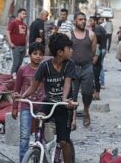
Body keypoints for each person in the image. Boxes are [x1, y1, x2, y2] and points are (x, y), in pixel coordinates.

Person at [17, 34, 76, 163]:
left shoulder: (69, 65)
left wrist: (65, 98)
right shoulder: (45, 66)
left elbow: (67, 82)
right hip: (49, 102)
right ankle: (39, 145)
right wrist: (22, 96)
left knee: (64, 142)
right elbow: (33, 87)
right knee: (39, 116)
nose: (71, 51)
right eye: (69, 48)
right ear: (60, 52)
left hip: (63, 105)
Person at [11, 42, 45, 162]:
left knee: (39, 137)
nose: (37, 56)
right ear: (29, 54)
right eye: (35, 53)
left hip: (42, 107)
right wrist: (15, 107)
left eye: (40, 54)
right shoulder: (23, 69)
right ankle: (23, 160)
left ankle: (38, 159)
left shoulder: (45, 69)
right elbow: (17, 88)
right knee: (24, 137)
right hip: (26, 106)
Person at [68, 12, 97, 129]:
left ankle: (86, 110)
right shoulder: (68, 35)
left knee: (87, 93)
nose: (83, 21)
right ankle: (73, 118)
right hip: (73, 68)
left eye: (84, 19)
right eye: (80, 19)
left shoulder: (91, 35)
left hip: (87, 67)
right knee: (72, 94)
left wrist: (89, 62)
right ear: (75, 21)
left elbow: (93, 52)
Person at [7, 8, 28, 79]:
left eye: (25, 14)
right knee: (16, 63)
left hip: (23, 47)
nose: (25, 15)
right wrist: (10, 43)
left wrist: (26, 45)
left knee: (20, 63)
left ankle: (16, 76)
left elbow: (25, 35)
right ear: (19, 14)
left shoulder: (24, 25)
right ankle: (11, 76)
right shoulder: (14, 22)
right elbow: (8, 32)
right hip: (15, 46)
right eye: (23, 14)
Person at [89, 16, 106, 100]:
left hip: (97, 52)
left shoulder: (96, 30)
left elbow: (97, 44)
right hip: (100, 51)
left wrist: (95, 56)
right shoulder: (100, 28)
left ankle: (96, 93)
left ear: (95, 21)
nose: (89, 22)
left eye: (91, 20)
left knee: (94, 74)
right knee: (96, 73)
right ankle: (96, 93)